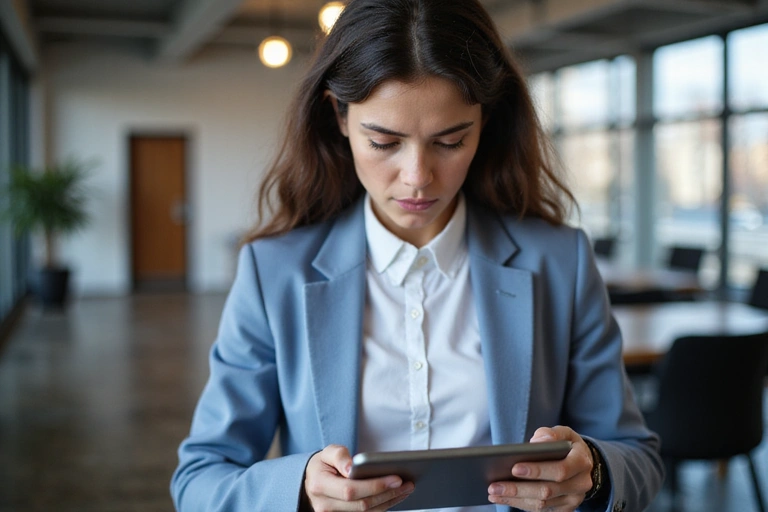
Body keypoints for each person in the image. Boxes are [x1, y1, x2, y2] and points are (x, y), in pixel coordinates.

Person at [171, 0, 664, 511]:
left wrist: (595, 473)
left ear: (485, 122)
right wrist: (299, 492)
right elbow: (200, 480)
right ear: (338, 116)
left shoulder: (561, 262)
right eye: (384, 142)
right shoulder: (273, 273)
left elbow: (638, 458)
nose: (417, 176)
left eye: (450, 140)